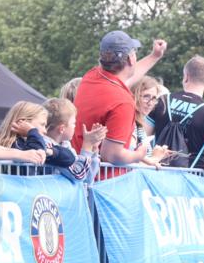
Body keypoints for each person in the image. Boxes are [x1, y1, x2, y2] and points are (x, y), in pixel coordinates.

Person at [72, 31, 169, 170]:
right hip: (106, 183)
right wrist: (139, 155)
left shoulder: (91, 76)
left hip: (81, 174)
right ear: (130, 59)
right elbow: (112, 155)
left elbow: (127, 77)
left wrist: (154, 56)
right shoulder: (122, 101)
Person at [156, 55, 204, 170]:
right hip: (190, 178)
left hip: (155, 175)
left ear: (186, 76)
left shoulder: (163, 100)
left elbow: (142, 135)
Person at [43, 97, 105, 181]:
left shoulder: (65, 145)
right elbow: (78, 175)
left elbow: (86, 179)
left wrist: (93, 149)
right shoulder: (47, 146)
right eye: (73, 123)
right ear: (62, 129)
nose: (75, 126)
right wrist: (87, 146)